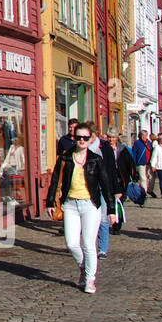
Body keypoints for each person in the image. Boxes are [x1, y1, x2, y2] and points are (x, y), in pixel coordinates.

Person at [45, 121, 116, 294]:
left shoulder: (95, 159)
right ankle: (84, 268)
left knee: (88, 243)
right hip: (70, 204)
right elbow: (55, 180)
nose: (82, 140)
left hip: (90, 205)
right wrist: (49, 202)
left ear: (90, 139)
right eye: (79, 137)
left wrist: (112, 210)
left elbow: (105, 185)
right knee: (71, 243)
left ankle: (90, 279)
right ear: (74, 138)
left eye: (85, 137)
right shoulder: (65, 158)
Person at [96, 132, 123, 257]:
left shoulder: (107, 149)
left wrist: (116, 189)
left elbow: (112, 170)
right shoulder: (79, 149)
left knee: (103, 218)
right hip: (87, 188)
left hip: (104, 186)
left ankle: (102, 249)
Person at [132, 130, 153, 195]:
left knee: (150, 177)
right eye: (143, 135)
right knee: (143, 178)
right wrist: (134, 163)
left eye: (145, 135)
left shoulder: (149, 143)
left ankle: (149, 189)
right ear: (140, 136)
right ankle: (144, 191)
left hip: (149, 162)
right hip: (141, 163)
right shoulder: (137, 143)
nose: (144, 136)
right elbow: (134, 153)